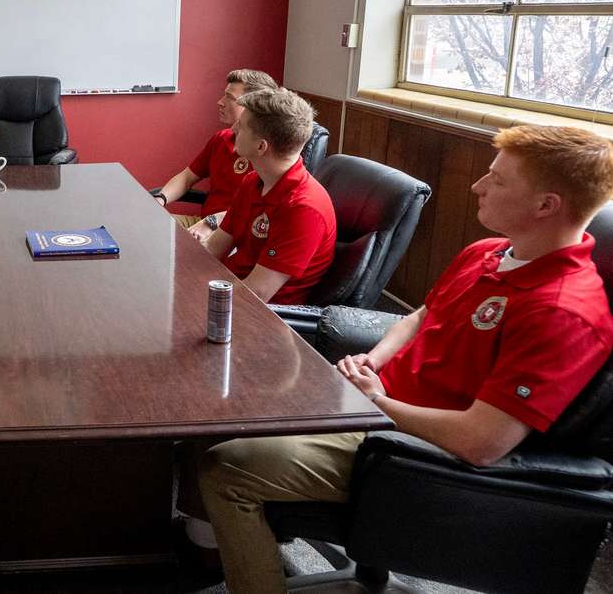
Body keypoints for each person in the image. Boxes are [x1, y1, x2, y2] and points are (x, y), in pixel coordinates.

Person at [196, 125, 613, 594]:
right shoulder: (488, 253)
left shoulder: (562, 312)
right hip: (374, 405)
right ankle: (215, 546)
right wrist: (373, 362)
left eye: (496, 179)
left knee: (225, 468)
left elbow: (482, 442)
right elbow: (419, 317)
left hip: (408, 451)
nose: (478, 186)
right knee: (216, 411)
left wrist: (380, 405)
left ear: (545, 205)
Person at [203, 87, 335, 304]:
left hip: (260, 318)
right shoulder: (253, 181)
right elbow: (214, 248)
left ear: (261, 146)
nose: (234, 127)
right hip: (227, 289)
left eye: (242, 125)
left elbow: (256, 293)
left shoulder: (304, 208)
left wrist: (190, 295)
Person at [153, 69, 277, 242]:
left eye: (230, 98)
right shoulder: (222, 139)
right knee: (143, 226)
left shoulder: (263, 153)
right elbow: (187, 177)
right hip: (200, 224)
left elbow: (255, 211)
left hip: (230, 235)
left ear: (253, 108)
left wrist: (211, 223)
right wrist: (161, 199)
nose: (220, 102)